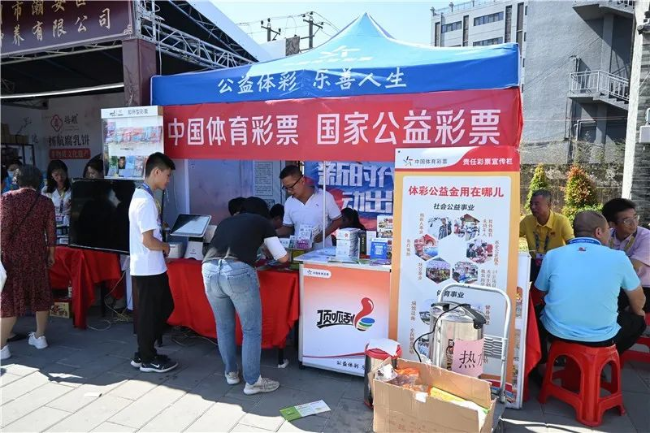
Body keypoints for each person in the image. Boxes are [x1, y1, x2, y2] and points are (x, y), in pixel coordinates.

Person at [202, 197, 289, 395]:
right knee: (251, 329)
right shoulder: (262, 222)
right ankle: (253, 382)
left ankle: (231, 373)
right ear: (263, 212)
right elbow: (282, 257)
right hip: (238, 271)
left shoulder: (227, 221)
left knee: (224, 326)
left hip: (209, 269)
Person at [534, 211, 646, 358]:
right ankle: (605, 358)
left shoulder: (553, 255)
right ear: (598, 232)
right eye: (608, 231)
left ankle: (543, 362)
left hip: (556, 332)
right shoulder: (619, 258)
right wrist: (638, 311)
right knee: (639, 322)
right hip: (601, 338)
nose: (610, 235)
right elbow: (638, 299)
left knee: (534, 316)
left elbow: (540, 293)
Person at [128, 152, 178, 373]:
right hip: (148, 267)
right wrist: (166, 247)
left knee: (161, 307)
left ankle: (144, 351)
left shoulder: (141, 196)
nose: (168, 180)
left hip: (150, 266)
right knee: (154, 312)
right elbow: (148, 241)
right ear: (156, 172)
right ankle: (147, 357)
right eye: (167, 175)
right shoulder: (145, 201)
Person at [0, 165, 56, 360]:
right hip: (37, 256)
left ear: (18, 180)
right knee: (41, 295)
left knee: (10, 300)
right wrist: (51, 254)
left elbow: (3, 230)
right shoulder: (45, 202)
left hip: (13, 257)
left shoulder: (7, 198)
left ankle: (2, 348)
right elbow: (51, 233)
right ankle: (40, 337)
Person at [276, 165, 342, 249]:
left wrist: (324, 234)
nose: (289, 191)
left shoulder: (325, 197)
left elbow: (338, 220)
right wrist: (270, 233)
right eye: (285, 188)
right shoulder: (289, 203)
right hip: (300, 252)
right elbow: (288, 228)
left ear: (302, 180)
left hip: (323, 252)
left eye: (291, 187)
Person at [602, 198, 650, 313]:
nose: (634, 223)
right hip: (616, 286)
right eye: (627, 220)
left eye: (635, 217)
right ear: (612, 224)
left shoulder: (646, 237)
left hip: (643, 287)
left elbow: (633, 266)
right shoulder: (607, 236)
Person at [520, 190, 574, 282]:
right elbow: (511, 236)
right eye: (531, 203)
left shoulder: (561, 221)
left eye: (537, 204)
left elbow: (571, 244)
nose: (532, 207)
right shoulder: (527, 220)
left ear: (549, 205)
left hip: (556, 265)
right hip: (535, 262)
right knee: (519, 276)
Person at [42, 159, 72, 224]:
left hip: (69, 221)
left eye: (62, 174)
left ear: (66, 173)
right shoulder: (45, 190)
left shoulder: (72, 188)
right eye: (56, 175)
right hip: (51, 222)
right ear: (51, 175)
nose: (60, 177)